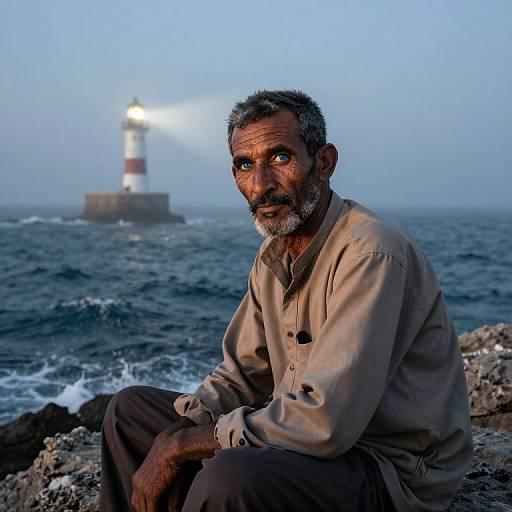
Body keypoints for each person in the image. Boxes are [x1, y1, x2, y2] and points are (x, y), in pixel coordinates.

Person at [100, 90, 473, 512]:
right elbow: (242, 375)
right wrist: (181, 432)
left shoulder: (370, 252)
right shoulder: (275, 252)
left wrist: (189, 445)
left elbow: (326, 421)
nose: (260, 185)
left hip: (387, 467)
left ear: (324, 163)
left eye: (280, 158)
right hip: (305, 442)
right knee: (129, 413)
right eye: (245, 165)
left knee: (230, 476)